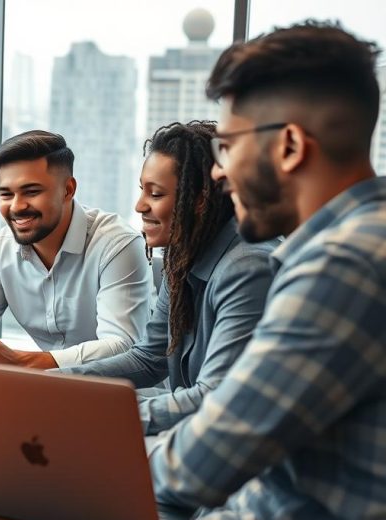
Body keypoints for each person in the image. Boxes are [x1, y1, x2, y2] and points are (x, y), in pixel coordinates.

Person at [150, 22, 386, 520]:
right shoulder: (354, 241)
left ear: (288, 146)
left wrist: (72, 456)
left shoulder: (345, 263)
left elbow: (202, 464)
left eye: (227, 146)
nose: (216, 169)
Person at [61, 121, 275, 434]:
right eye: (141, 190)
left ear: (199, 200)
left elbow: (214, 398)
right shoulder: (184, 255)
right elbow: (149, 358)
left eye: (155, 194)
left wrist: (98, 414)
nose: (140, 205)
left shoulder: (247, 269)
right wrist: (56, 385)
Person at [0, 130, 151, 369]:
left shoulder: (118, 245)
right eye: (6, 194)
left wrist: (22, 362)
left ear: (68, 190)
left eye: (31, 192)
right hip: (48, 390)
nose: (16, 206)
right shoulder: (2, 246)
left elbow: (122, 345)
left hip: (125, 394)